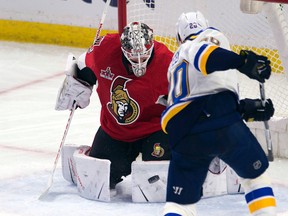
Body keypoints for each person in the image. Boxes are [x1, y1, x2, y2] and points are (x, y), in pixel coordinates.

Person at [161, 11, 276, 216]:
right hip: (219, 120)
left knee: (180, 205)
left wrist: (243, 109)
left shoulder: (175, 61)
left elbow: (197, 96)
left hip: (183, 134)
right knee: (255, 178)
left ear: (178, 37)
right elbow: (206, 56)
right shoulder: (206, 38)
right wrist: (243, 63)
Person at [55, 21, 173, 189]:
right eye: (132, 55)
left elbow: (185, 100)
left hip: (154, 129)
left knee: (158, 181)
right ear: (123, 49)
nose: (139, 61)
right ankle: (85, 156)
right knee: (98, 180)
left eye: (144, 54)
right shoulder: (105, 49)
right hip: (116, 130)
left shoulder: (167, 62)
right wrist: (79, 82)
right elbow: (83, 63)